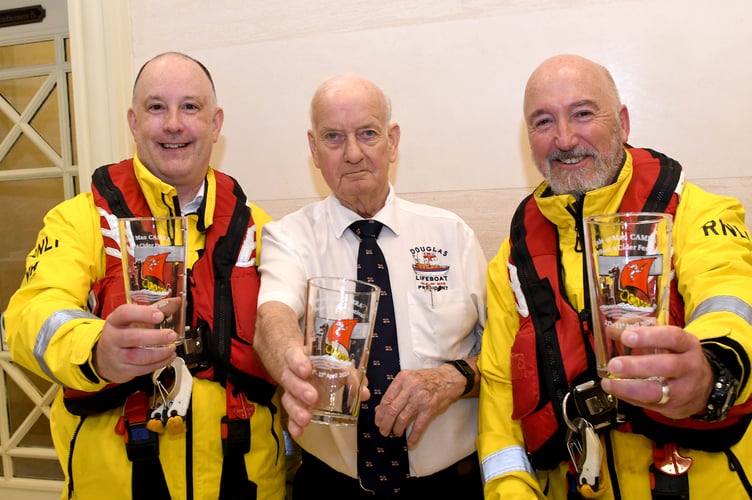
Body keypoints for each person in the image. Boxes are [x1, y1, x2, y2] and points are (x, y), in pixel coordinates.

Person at [4, 52, 286, 499]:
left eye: (190, 107)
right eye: (157, 107)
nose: (174, 123)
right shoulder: (78, 220)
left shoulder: (261, 230)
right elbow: (27, 318)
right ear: (134, 123)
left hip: (247, 483)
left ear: (215, 124)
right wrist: (95, 349)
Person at [477, 53, 752, 499]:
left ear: (622, 121)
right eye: (543, 122)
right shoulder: (512, 259)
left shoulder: (696, 212)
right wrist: (511, 491)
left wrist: (712, 368)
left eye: (583, 114)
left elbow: (732, 296)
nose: (565, 139)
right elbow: (498, 399)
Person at [253, 74, 487, 499]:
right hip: (331, 485)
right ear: (313, 149)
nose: (354, 153)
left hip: (451, 485)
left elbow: (504, 357)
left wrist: (452, 378)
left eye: (368, 133)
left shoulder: (453, 236)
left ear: (392, 142)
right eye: (334, 137)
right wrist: (294, 365)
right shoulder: (289, 237)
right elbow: (273, 314)